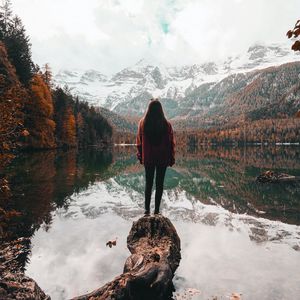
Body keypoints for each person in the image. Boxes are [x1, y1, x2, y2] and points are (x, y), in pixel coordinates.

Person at [136, 98, 175, 215]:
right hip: (162, 158)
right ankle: (157, 211)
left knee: (148, 184)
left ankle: (146, 210)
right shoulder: (166, 124)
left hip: (148, 158)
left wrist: (141, 156)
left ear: (148, 109)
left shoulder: (142, 123)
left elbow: (139, 142)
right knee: (159, 184)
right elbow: (171, 143)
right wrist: (171, 157)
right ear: (161, 110)